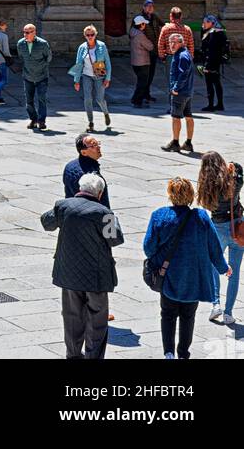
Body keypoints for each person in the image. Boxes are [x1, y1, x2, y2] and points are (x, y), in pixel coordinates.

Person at [143, 176, 230, 359]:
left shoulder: (159, 216)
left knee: (167, 315)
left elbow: (148, 248)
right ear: (191, 194)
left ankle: (168, 353)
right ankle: (183, 353)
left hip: (168, 276)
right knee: (188, 316)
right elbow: (214, 247)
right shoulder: (201, 217)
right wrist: (224, 268)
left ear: (170, 195)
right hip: (193, 278)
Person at [40, 172, 124, 360]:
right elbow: (115, 239)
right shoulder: (104, 213)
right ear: (100, 193)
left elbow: (46, 222)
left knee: (72, 317)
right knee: (97, 320)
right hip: (96, 277)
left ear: (80, 188)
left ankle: (73, 355)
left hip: (68, 274)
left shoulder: (63, 206)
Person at [196, 150, 243, 326]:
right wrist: (234, 167)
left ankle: (215, 304)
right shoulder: (233, 182)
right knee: (235, 271)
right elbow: (241, 174)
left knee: (215, 265)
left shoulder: (206, 186)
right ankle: (229, 312)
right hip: (237, 227)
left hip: (217, 228)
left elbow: (206, 205)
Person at [69, 26, 113, 133]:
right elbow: (78, 64)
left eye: (92, 34)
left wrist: (107, 78)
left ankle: (106, 113)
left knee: (99, 99)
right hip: (86, 75)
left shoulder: (102, 46)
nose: (90, 37)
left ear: (95, 34)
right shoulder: (82, 47)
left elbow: (108, 63)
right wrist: (76, 80)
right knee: (87, 99)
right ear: (85, 36)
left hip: (99, 75)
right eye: (87, 35)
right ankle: (91, 122)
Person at [162, 33, 195, 155]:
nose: (171, 45)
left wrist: (176, 88)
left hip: (180, 92)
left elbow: (184, 73)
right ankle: (188, 143)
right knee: (188, 116)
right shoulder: (183, 54)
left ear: (181, 43)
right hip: (187, 92)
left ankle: (175, 143)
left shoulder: (182, 55)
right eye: (170, 42)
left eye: (174, 42)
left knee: (176, 117)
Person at [16, 23, 52, 132]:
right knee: (29, 101)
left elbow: (48, 57)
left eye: (27, 33)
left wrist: (41, 66)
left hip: (42, 76)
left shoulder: (43, 44)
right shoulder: (20, 44)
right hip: (27, 76)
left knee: (41, 99)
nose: (25, 35)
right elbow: (21, 57)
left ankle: (41, 121)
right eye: (24, 32)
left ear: (34, 32)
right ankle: (33, 119)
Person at [64, 134, 111, 209]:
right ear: (84, 153)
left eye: (97, 143)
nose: (98, 147)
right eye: (93, 146)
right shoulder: (92, 177)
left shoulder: (69, 166)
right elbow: (103, 203)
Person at [200, 16, 228, 112]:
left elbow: (212, 48)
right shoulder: (213, 31)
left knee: (211, 82)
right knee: (215, 82)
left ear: (211, 23)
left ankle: (212, 105)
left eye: (205, 22)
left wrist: (208, 62)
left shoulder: (216, 33)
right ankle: (219, 104)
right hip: (212, 60)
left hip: (212, 61)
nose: (203, 24)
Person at [129, 14, 154, 108]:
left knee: (140, 81)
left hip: (135, 61)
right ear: (140, 24)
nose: (145, 25)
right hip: (143, 62)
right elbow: (150, 46)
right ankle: (136, 100)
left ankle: (136, 99)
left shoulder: (132, 32)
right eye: (144, 24)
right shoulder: (140, 35)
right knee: (143, 82)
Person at [141, 0, 163, 101]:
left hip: (154, 49)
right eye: (148, 6)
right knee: (144, 73)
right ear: (144, 7)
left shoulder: (154, 17)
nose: (150, 8)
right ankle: (141, 94)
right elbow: (134, 32)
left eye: (151, 6)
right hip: (144, 50)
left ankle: (147, 93)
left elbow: (163, 25)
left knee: (151, 73)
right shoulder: (139, 18)